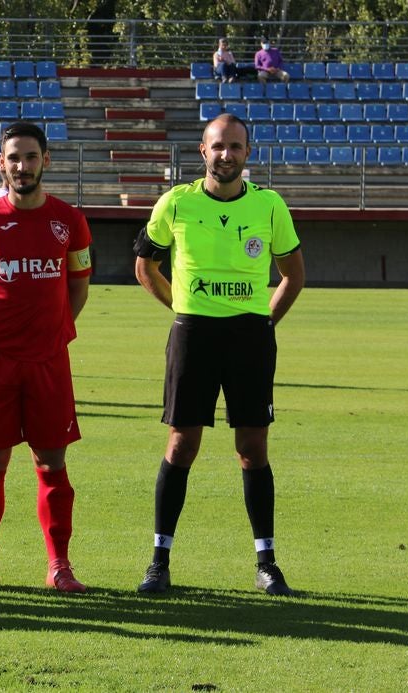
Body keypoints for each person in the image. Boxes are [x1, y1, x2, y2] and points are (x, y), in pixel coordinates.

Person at [133, 113, 305, 596]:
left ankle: (266, 563)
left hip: (250, 339)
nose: (226, 155)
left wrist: (264, 322)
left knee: (252, 450)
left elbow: (294, 274)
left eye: (235, 146)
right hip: (194, 336)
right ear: (202, 151)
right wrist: (182, 309)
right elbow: (144, 264)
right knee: (181, 445)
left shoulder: (269, 206)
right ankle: (159, 561)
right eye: (217, 146)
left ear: (248, 153)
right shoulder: (176, 203)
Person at [0, 121, 93, 594]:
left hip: (48, 360)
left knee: (52, 462)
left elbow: (79, 282)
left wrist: (55, 330)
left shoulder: (68, 220)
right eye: (14, 158)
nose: (22, 166)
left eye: (31, 157)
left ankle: (60, 566)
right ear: (1, 163)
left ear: (46, 161)